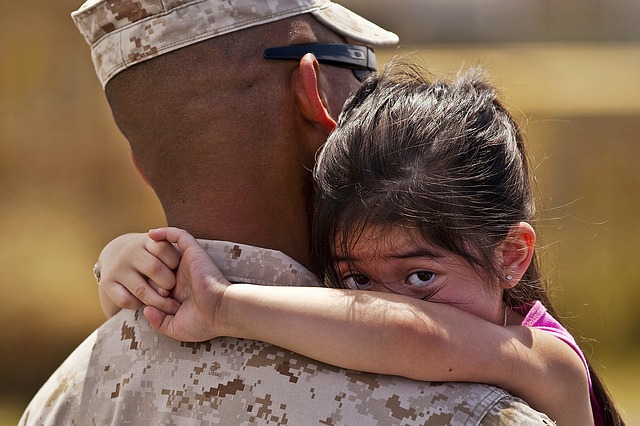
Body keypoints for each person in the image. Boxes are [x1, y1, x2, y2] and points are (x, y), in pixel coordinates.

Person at [19, 0, 556, 424]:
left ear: (140, 163)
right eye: (361, 70)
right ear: (316, 91)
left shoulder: (58, 401)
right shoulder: (476, 409)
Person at [94, 63, 624, 425]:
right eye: (357, 279)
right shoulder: (354, 330)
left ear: (510, 256)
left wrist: (222, 306)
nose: (382, 303)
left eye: (421, 277)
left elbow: (415, 338)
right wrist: (128, 268)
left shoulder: (548, 361)